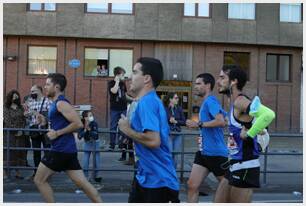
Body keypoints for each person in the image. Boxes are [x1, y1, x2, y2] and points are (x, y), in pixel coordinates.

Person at [118, 57, 180, 203]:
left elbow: (153, 140)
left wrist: (127, 130)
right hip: (144, 177)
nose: (130, 77)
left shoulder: (148, 102)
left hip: (158, 181)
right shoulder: (144, 102)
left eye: (134, 72)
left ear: (146, 78)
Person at [33, 73, 102, 203]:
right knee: (84, 184)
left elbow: (78, 124)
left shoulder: (61, 103)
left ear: (57, 87)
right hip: (67, 151)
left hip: (60, 150)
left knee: (39, 180)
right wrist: (44, 121)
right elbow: (61, 122)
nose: (45, 87)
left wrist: (57, 133)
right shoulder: (55, 104)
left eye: (48, 84)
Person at [215, 65, 275, 203]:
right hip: (233, 165)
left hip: (246, 167)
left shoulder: (240, 101)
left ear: (234, 81)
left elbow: (269, 114)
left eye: (222, 77)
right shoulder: (232, 103)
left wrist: (249, 134)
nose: (218, 81)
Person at [185, 73, 228, 203]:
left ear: (208, 85)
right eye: (195, 83)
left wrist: (199, 124)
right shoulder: (208, 102)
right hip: (203, 153)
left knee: (229, 187)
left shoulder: (211, 101)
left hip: (215, 153)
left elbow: (220, 121)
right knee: (192, 186)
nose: (195, 86)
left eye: (199, 84)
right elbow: (225, 119)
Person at [24, 85, 52, 179]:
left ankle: (47, 173)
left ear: (40, 91)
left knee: (47, 152)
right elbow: (29, 117)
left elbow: (51, 117)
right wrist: (27, 114)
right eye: (31, 91)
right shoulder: (31, 102)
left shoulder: (48, 101)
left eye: (33, 91)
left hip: (45, 130)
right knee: (36, 152)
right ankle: (36, 173)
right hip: (34, 130)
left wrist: (37, 114)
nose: (31, 93)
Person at [3, 90, 27, 180]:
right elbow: (7, 121)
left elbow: (23, 120)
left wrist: (21, 129)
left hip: (20, 133)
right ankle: (4, 172)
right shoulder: (5, 107)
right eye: (13, 97)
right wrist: (16, 130)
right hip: (9, 134)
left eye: (17, 97)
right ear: (10, 98)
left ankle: (18, 172)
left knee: (19, 152)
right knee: (8, 152)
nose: (15, 99)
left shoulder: (20, 107)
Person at [108, 66, 133, 152]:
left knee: (123, 126)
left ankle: (121, 144)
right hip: (114, 108)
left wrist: (133, 99)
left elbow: (124, 95)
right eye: (122, 74)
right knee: (113, 126)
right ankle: (112, 144)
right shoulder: (111, 83)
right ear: (118, 74)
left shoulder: (123, 84)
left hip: (123, 108)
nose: (123, 76)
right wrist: (117, 81)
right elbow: (114, 91)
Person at [163, 92, 186, 169]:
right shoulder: (164, 108)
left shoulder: (179, 108)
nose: (178, 99)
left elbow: (184, 121)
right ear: (170, 99)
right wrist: (169, 120)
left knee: (176, 154)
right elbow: (161, 120)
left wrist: (176, 121)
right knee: (169, 153)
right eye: (176, 98)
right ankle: (168, 171)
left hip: (178, 133)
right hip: (168, 133)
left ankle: (174, 172)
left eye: (178, 98)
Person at [78, 111, 102, 183]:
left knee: (97, 160)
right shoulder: (81, 124)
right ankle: (85, 176)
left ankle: (96, 176)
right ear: (85, 117)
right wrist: (85, 130)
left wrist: (90, 130)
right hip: (87, 142)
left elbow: (96, 135)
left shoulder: (94, 123)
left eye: (92, 115)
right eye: (90, 115)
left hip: (95, 143)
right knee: (85, 159)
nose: (92, 117)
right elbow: (79, 136)